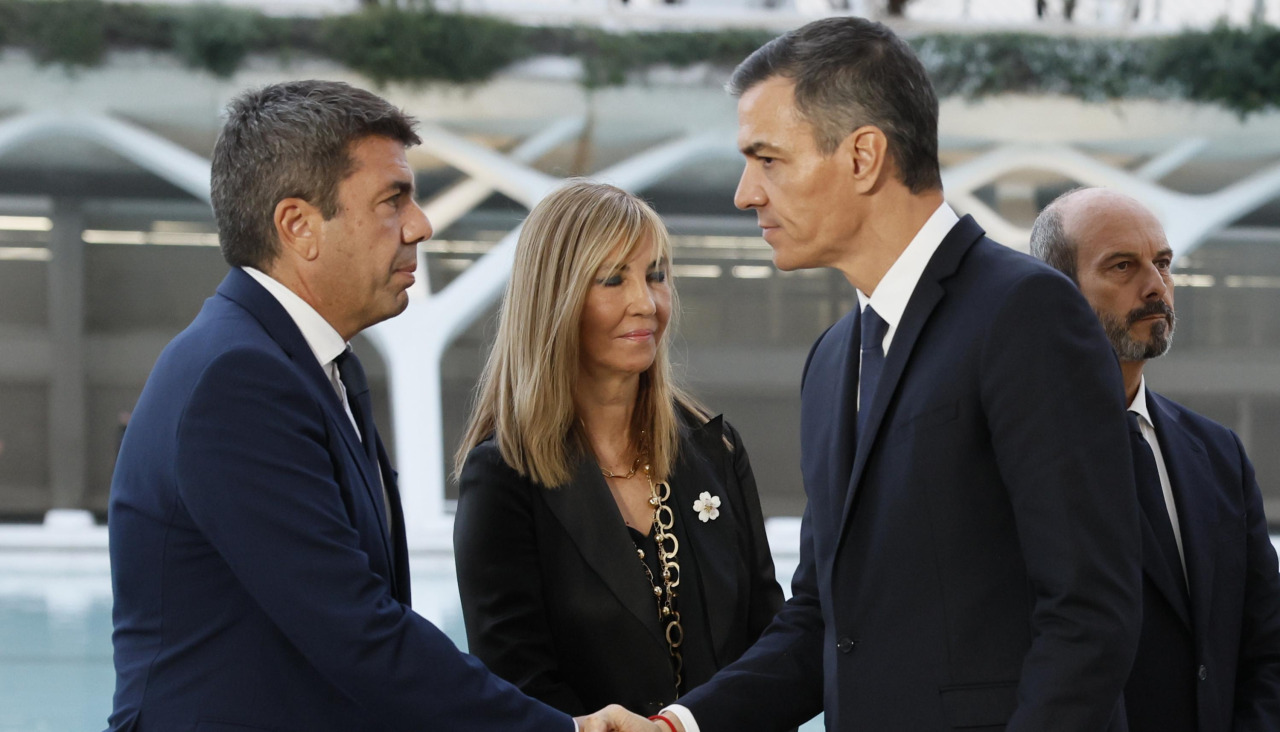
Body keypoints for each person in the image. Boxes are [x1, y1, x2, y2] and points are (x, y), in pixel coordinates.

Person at [648, 17, 1144, 732]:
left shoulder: (1028, 313)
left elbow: (1088, 616)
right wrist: (678, 725)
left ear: (863, 156)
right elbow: (824, 621)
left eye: (767, 159)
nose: (745, 193)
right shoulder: (828, 362)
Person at [106, 80, 640, 732]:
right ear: (298, 226)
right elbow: (353, 627)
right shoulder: (237, 380)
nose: (420, 225)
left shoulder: (316, 367)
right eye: (394, 201)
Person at [453, 180, 786, 719]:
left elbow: (769, 646)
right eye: (613, 279)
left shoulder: (716, 448)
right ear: (554, 300)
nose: (645, 302)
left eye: (656, 276)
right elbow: (519, 686)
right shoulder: (502, 475)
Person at [1030, 187, 1280, 732]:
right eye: (1123, 266)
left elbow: (1267, 647)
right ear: (1056, 292)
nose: (1155, 287)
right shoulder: (1008, 452)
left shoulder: (1218, 454)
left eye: (1162, 263)